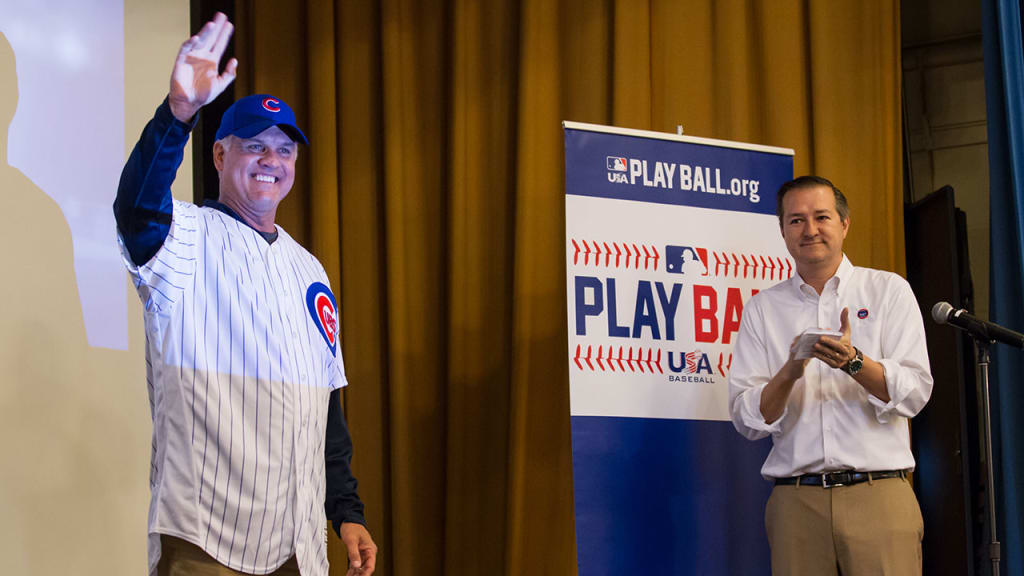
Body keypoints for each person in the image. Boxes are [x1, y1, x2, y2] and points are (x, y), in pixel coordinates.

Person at [114, 13, 376, 576]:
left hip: (298, 545)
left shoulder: (311, 271)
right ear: (219, 156)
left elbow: (323, 406)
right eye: (253, 145)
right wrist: (178, 113)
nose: (270, 160)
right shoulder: (181, 237)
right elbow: (134, 208)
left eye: (283, 150)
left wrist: (346, 510)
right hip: (207, 540)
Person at [728, 175, 933, 575]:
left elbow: (914, 393)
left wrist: (853, 362)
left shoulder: (888, 290)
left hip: (879, 493)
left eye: (821, 216)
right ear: (783, 231)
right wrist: (790, 371)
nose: (810, 229)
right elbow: (747, 419)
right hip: (796, 503)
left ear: (844, 224)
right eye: (796, 220)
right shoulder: (762, 308)